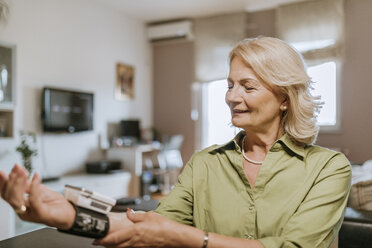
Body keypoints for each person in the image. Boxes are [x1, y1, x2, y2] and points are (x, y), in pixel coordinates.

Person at [0, 37, 351, 247]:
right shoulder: (205, 163)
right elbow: (149, 225)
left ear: (285, 98)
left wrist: (190, 239)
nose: (231, 96)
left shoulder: (328, 168)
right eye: (230, 84)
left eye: (248, 86)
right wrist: (69, 216)